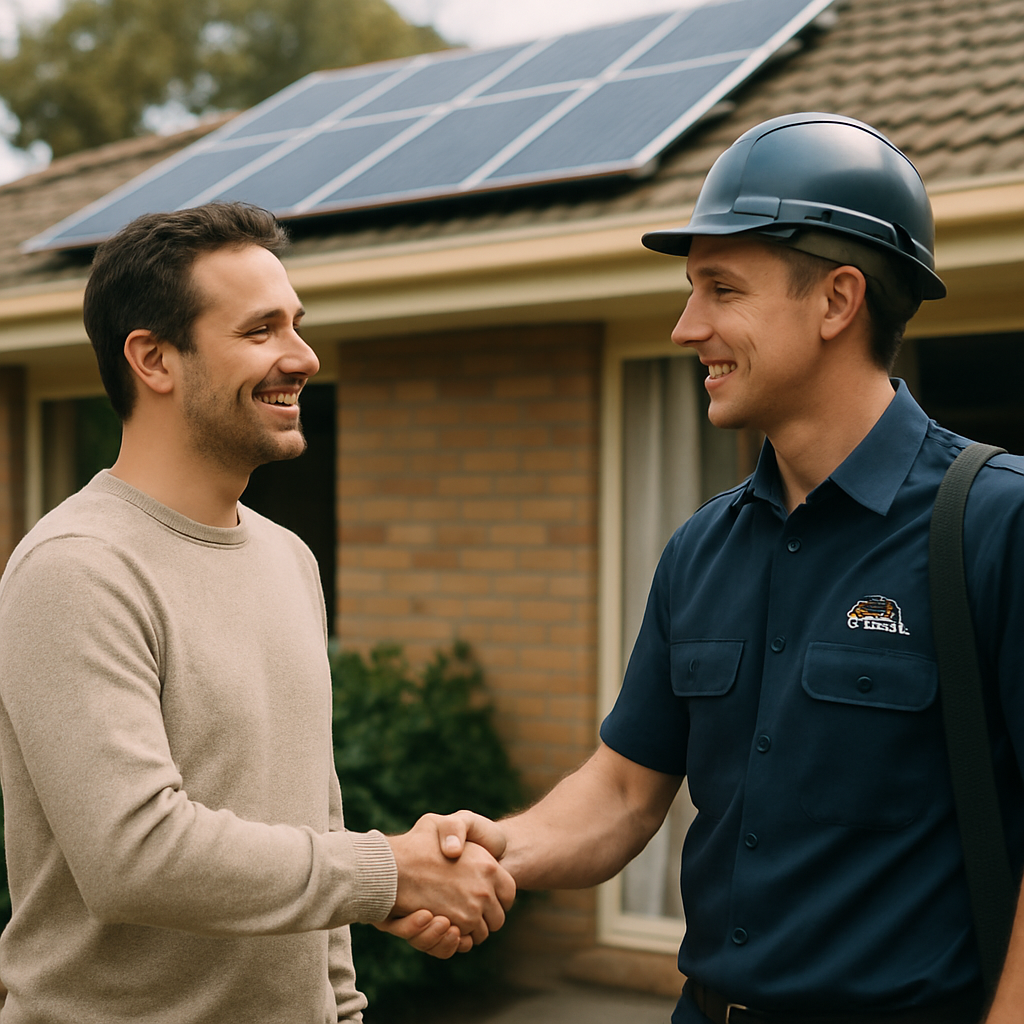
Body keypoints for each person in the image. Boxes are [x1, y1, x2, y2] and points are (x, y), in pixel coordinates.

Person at [409, 113, 1024, 1021]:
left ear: (836, 301)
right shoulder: (702, 547)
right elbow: (623, 791)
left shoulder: (996, 521)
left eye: (721, 289)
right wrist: (489, 852)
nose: (684, 326)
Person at [0, 202, 514, 1023]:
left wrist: (341, 1008)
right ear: (154, 359)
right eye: (261, 330)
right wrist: (388, 872)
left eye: (297, 326)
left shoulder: (288, 560)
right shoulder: (76, 570)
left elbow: (314, 810)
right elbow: (133, 856)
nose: (303, 357)